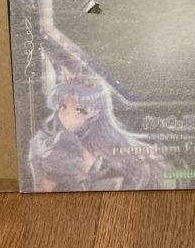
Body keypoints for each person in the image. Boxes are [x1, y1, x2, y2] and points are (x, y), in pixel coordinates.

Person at [29, 76, 168, 192]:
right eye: (63, 107)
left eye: (80, 111)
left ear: (95, 116)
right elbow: (42, 186)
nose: (67, 116)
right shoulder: (44, 140)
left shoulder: (101, 147)